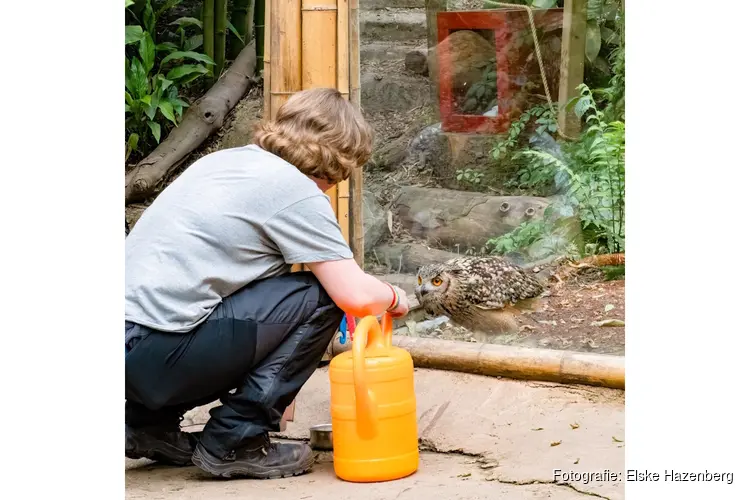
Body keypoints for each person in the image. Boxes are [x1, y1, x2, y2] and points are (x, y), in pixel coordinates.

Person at [125, 87, 410, 479]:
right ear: (335, 159)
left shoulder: (223, 163)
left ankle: (146, 425)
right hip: (156, 353)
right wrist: (395, 296)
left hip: (127, 349)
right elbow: (354, 295)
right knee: (322, 296)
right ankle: (234, 441)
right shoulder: (293, 190)